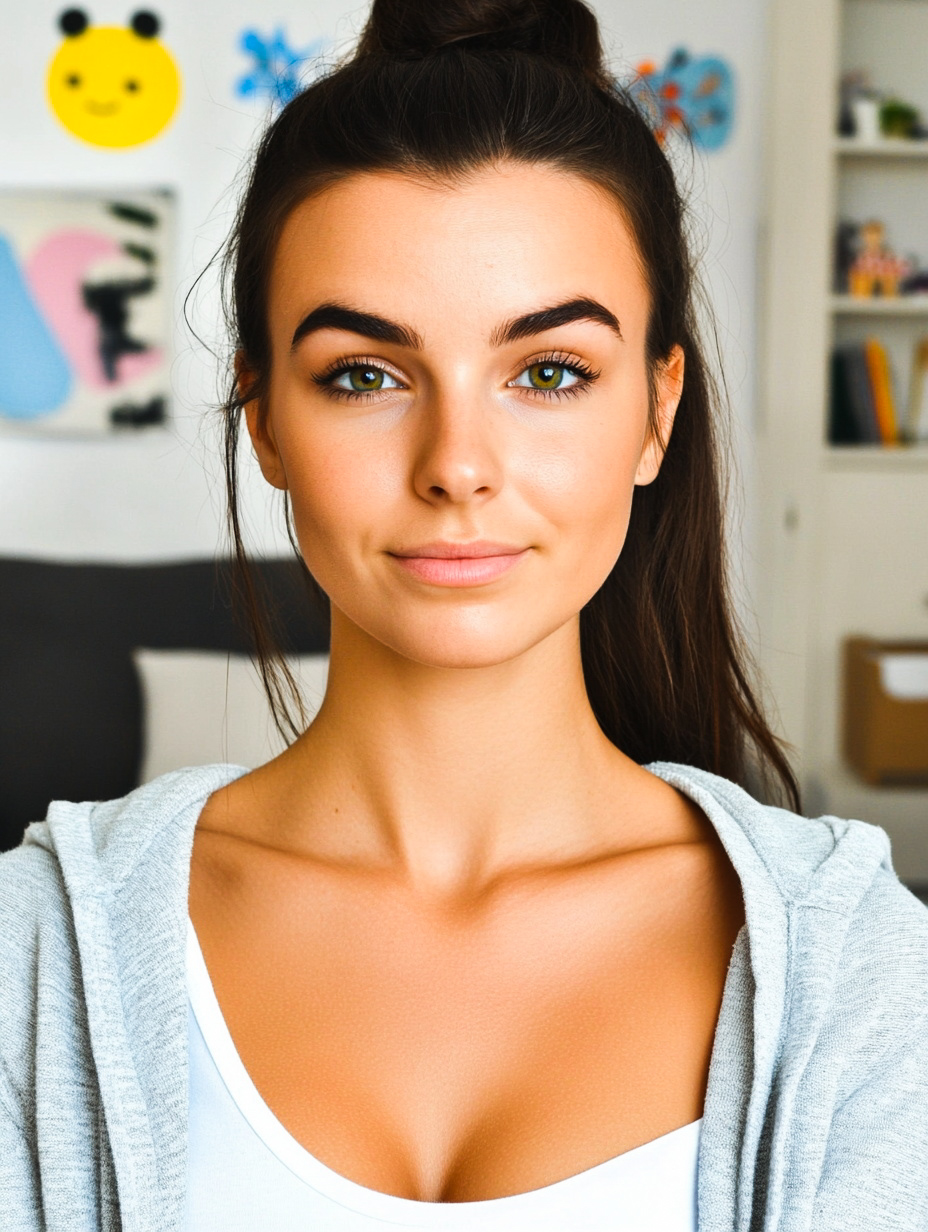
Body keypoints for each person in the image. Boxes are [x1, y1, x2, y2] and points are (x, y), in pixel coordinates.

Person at [2, 1, 928, 1228]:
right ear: (266, 418)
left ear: (657, 411)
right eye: (365, 374)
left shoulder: (856, 969)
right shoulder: (42, 949)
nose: (458, 464)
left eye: (548, 373)